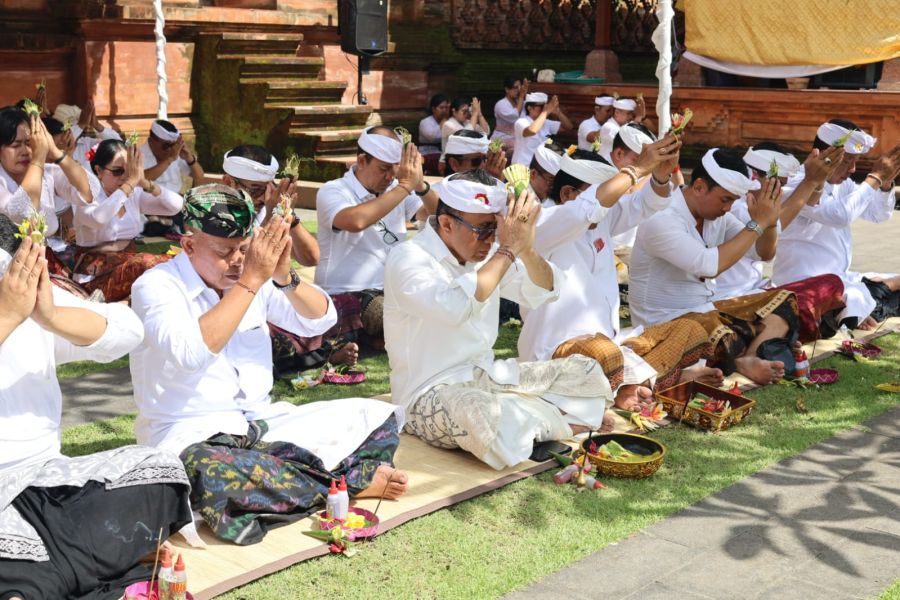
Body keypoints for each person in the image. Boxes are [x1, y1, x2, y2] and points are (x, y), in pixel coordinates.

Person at [129, 185, 408, 545]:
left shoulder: (253, 279)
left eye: (245, 249)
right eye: (225, 252)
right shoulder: (156, 286)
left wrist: (285, 277)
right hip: (192, 436)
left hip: (264, 426)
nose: (238, 261)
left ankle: (309, 483)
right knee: (204, 472)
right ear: (189, 245)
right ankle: (349, 480)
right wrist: (250, 281)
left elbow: (320, 320)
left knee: (372, 416)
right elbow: (191, 353)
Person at [0, 216, 192, 598]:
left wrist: (51, 315)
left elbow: (128, 332)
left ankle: (37, 577)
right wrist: (5, 316)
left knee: (160, 471)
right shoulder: (10, 308)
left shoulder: (24, 303)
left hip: (47, 484)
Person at [384, 170, 615, 469]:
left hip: (488, 378)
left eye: (495, 229)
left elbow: (545, 289)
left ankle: (535, 420)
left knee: (584, 371)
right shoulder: (408, 257)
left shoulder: (489, 255)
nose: (490, 239)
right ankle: (559, 421)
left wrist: (526, 248)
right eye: (482, 229)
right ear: (446, 223)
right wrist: (506, 250)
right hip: (426, 394)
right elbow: (455, 309)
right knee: (480, 414)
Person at [520, 139, 717, 397]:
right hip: (557, 352)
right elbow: (584, 211)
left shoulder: (603, 220)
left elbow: (644, 204)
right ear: (568, 194)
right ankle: (643, 383)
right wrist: (636, 170)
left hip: (609, 344)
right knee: (603, 353)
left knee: (690, 328)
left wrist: (659, 175)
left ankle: (636, 382)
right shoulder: (546, 224)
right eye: (604, 194)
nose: (611, 202)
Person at [630, 148, 800, 385]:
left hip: (706, 314)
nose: (728, 208)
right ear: (699, 186)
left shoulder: (715, 216)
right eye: (725, 199)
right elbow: (709, 266)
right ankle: (748, 354)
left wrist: (769, 223)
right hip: (667, 326)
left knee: (783, 301)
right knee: (710, 330)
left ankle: (748, 357)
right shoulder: (661, 219)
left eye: (732, 200)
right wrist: (757, 222)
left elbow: (763, 253)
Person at [221, 143, 357, 371]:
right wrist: (272, 217)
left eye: (268, 189)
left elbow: (311, 257)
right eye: (255, 190)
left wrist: (286, 215)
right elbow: (243, 259)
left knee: (339, 308)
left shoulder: (267, 206)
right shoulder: (213, 212)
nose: (264, 198)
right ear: (228, 183)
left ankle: (320, 350)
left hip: (276, 296)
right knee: (274, 338)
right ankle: (322, 355)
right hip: (238, 300)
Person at [314, 126, 437, 350]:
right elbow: (356, 221)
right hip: (347, 294)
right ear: (361, 161)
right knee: (386, 314)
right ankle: (375, 339)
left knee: (436, 302)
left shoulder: (396, 189)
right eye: (383, 169)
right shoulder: (333, 190)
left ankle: (375, 340)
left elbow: (438, 215)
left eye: (394, 169)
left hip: (393, 289)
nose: (390, 176)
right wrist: (404, 187)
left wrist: (420, 186)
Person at [713, 143, 847, 342]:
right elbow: (775, 223)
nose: (781, 192)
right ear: (755, 178)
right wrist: (810, 181)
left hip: (758, 293)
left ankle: (772, 336)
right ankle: (762, 343)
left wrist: (817, 180)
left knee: (831, 284)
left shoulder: (753, 205)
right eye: (778, 185)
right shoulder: (737, 208)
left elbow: (801, 207)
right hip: (731, 301)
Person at [772, 120, 900, 329]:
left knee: (870, 293)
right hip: (804, 286)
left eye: (856, 160)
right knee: (867, 296)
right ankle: (859, 308)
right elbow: (840, 215)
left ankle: (863, 305)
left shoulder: (844, 184)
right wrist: (875, 177)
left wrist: (885, 184)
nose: (853, 169)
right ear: (820, 155)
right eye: (847, 160)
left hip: (840, 280)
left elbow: (878, 215)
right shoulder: (799, 185)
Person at [71, 139, 182, 302]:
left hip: (129, 267)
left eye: (128, 171)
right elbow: (99, 218)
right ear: (99, 171)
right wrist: (130, 183)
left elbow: (176, 206)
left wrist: (144, 182)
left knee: (176, 260)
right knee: (147, 262)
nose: (124, 177)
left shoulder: (132, 195)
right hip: (93, 278)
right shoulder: (86, 195)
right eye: (117, 171)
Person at [0, 107, 90, 245]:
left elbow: (87, 193)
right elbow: (24, 215)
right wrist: (37, 159)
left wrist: (56, 152)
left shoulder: (47, 172)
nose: (25, 151)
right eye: (16, 145)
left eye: (30, 143)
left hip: (43, 257)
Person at [140, 119, 205, 195]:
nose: (170, 149)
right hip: (150, 201)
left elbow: (199, 176)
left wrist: (189, 157)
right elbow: (141, 179)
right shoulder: (139, 154)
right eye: (166, 146)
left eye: (173, 145)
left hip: (175, 199)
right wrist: (169, 159)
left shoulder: (175, 152)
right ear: (151, 141)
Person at [512, 92, 573, 168]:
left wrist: (558, 113)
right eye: (541, 107)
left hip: (538, 167)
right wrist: (546, 112)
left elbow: (568, 127)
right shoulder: (521, 122)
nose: (543, 109)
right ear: (529, 108)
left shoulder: (546, 122)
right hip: (521, 166)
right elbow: (532, 131)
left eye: (544, 106)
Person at [490, 76, 528, 152]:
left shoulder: (522, 103)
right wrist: (521, 97)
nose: (519, 90)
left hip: (517, 139)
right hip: (500, 139)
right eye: (515, 88)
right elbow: (515, 116)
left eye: (520, 87)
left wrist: (525, 96)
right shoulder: (500, 104)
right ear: (507, 89)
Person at [418, 93, 449, 174]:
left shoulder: (449, 121)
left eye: (446, 108)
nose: (444, 110)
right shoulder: (425, 122)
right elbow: (433, 137)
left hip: (442, 153)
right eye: (441, 108)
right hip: (427, 153)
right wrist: (445, 119)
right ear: (434, 109)